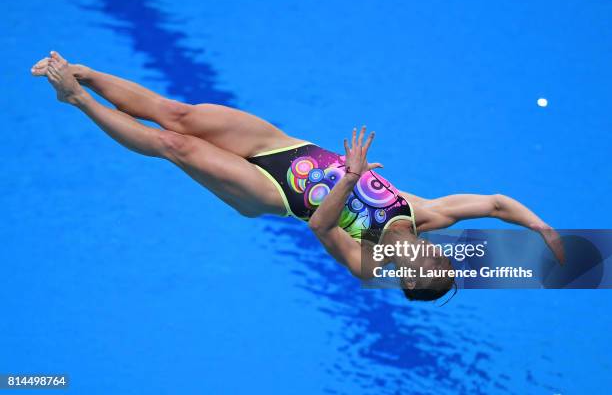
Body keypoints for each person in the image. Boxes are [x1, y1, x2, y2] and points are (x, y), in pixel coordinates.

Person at [31, 51, 564, 302]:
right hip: (285, 147)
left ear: (401, 276)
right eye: (429, 263)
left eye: (412, 276)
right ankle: (83, 71)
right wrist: (539, 228)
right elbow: (495, 204)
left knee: (176, 145)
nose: (416, 263)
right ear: (436, 254)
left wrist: (350, 178)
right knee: (181, 115)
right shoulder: (428, 214)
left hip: (273, 193)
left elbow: (321, 228)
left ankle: (75, 98)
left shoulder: (363, 262)